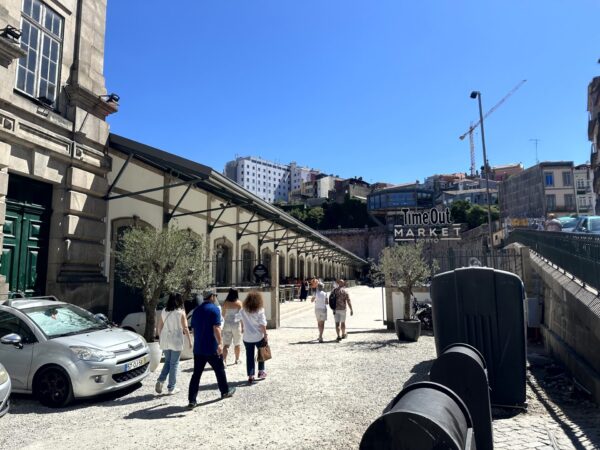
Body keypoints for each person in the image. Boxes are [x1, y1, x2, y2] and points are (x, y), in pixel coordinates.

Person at [187, 289, 236, 409]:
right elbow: (217, 328)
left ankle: (192, 400)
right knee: (219, 370)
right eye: (215, 295)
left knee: (196, 375)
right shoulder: (214, 309)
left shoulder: (196, 310)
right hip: (211, 347)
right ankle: (224, 391)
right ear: (212, 297)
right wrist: (220, 344)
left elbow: (193, 330)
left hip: (199, 348)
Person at [156, 293, 192, 395]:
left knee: (168, 362)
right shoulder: (181, 312)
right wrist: (190, 341)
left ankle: (160, 380)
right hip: (176, 340)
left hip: (165, 339)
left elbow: (159, 326)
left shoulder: (164, 311)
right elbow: (185, 328)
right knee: (174, 364)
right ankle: (171, 387)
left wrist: (160, 338)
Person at [239, 291, 268, 384]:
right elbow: (263, 324)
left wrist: (243, 327)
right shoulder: (260, 310)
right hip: (258, 336)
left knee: (249, 356)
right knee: (261, 354)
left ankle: (251, 375)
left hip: (247, 337)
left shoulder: (243, 310)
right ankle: (261, 371)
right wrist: (266, 335)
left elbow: (238, 318)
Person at [221, 288, 243, 366]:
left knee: (226, 344)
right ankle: (237, 359)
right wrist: (243, 327)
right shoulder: (239, 303)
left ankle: (224, 361)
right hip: (236, 325)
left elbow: (223, 315)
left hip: (227, 324)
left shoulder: (225, 303)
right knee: (237, 343)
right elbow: (241, 316)